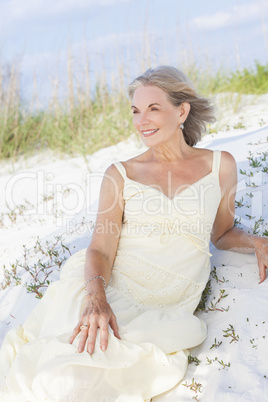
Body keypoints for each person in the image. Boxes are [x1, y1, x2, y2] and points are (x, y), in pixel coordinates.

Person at [0, 65, 267, 402]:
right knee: (62, 375)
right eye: (136, 111)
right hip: (109, 287)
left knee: (87, 380)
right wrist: (96, 299)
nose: (142, 120)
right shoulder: (121, 174)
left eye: (154, 108)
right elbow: (100, 248)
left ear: (181, 110)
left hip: (166, 301)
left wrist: (255, 241)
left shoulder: (220, 166)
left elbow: (222, 232)